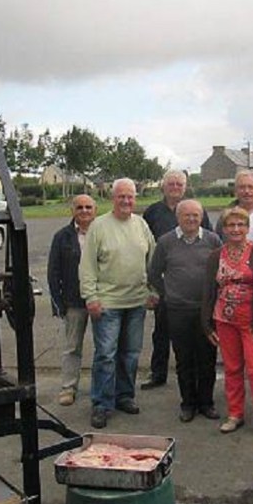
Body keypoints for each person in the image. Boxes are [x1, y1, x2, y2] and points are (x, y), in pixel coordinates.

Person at [79, 178, 157, 429]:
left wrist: (153, 291)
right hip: (107, 303)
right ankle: (101, 404)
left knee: (131, 354)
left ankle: (125, 396)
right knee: (106, 355)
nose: (126, 201)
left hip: (136, 302)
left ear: (135, 199)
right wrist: (91, 297)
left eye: (130, 197)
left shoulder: (141, 225)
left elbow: (152, 261)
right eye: (121, 196)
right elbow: (87, 266)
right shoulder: (98, 226)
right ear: (113, 198)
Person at [201, 207, 253, 445]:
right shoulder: (217, 255)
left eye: (241, 225)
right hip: (224, 321)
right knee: (232, 369)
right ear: (223, 229)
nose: (236, 230)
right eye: (231, 225)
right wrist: (206, 323)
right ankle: (235, 414)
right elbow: (208, 290)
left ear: (247, 228)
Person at [148, 199, 222, 422]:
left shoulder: (212, 239)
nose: (191, 219)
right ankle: (188, 404)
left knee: (207, 358)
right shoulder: (166, 242)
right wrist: (167, 293)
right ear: (178, 217)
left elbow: (222, 271)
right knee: (184, 359)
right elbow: (153, 274)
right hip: (178, 310)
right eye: (186, 215)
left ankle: (206, 403)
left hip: (206, 310)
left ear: (201, 217)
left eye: (195, 215)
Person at [141, 170, 212, 391]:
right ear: (163, 186)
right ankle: (158, 373)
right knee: (161, 333)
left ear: (185, 186)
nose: (175, 187)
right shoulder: (152, 212)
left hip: (193, 292)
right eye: (170, 184)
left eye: (179, 184)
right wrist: (156, 290)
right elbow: (145, 247)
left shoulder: (197, 210)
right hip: (165, 285)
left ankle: (199, 383)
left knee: (196, 341)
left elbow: (208, 243)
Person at [47, 194, 96, 406]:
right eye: (80, 207)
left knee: (104, 349)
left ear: (95, 210)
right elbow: (53, 272)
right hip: (73, 302)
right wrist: (58, 303)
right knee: (72, 347)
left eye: (88, 207)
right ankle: (68, 388)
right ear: (72, 211)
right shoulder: (62, 237)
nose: (84, 211)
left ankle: (101, 388)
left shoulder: (103, 232)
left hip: (100, 301)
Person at [215, 169, 253, 242]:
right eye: (242, 187)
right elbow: (218, 243)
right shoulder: (225, 215)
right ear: (236, 191)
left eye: (251, 187)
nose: (246, 191)